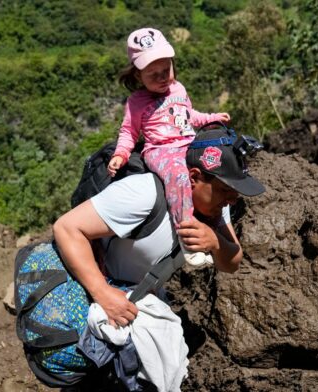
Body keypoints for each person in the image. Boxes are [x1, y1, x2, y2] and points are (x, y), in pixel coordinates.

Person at [55, 127, 265, 328]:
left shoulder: (217, 206)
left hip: (141, 295)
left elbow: (232, 263)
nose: (232, 200)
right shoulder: (145, 193)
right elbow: (67, 227)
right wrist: (103, 293)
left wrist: (215, 242)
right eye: (225, 190)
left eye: (235, 192)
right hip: (92, 288)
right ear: (194, 178)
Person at [107, 27, 231, 267]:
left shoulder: (179, 89)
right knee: (179, 177)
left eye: (166, 70)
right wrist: (120, 154)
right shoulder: (136, 102)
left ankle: (217, 228)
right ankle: (188, 240)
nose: (163, 78)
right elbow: (128, 132)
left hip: (188, 143)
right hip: (161, 150)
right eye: (153, 74)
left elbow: (188, 116)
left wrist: (211, 118)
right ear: (138, 76)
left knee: (217, 166)